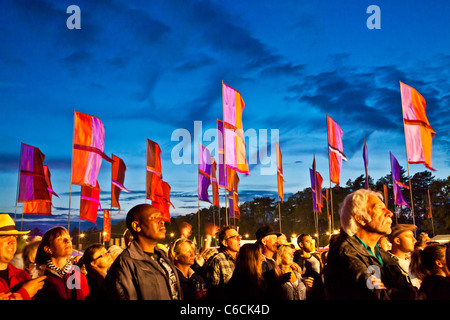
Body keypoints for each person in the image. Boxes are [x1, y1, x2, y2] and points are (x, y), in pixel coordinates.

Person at [325, 189, 415, 300]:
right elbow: (376, 296)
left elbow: (407, 287)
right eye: (379, 208)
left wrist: (394, 290)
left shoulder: (382, 254)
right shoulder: (345, 254)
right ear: (361, 218)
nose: (390, 213)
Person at [106, 204, 181, 300]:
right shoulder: (125, 264)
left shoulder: (163, 258)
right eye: (154, 217)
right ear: (136, 226)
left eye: (161, 218)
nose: (162, 222)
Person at [34, 226, 89, 300]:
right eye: (60, 239)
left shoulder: (78, 275)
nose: (67, 241)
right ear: (48, 249)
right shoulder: (40, 276)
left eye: (69, 238)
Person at [0, 214, 46, 300]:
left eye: (15, 236)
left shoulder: (22, 275)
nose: (13, 241)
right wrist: (25, 293)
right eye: (5, 236)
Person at [202, 225, 240, 299]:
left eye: (239, 236)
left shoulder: (240, 259)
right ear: (225, 243)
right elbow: (213, 291)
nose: (239, 239)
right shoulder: (218, 260)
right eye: (234, 237)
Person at [387, 224, 421, 289]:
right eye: (409, 236)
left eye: (413, 236)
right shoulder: (389, 265)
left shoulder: (413, 261)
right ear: (397, 241)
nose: (414, 240)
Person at [294, 233, 325, 300]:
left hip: (320, 293)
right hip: (307, 295)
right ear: (301, 244)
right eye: (308, 241)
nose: (311, 244)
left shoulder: (316, 257)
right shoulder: (297, 260)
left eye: (311, 241)